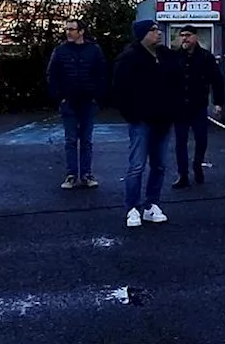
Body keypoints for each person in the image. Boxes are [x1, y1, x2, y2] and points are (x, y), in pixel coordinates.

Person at [111, 18, 177, 228]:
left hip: (163, 120)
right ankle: (132, 208)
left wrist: (173, 109)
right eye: (153, 30)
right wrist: (132, 115)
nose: (158, 33)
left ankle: (152, 205)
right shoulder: (128, 58)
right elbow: (119, 90)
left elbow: (176, 82)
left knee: (159, 165)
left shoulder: (166, 56)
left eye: (158, 29)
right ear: (142, 34)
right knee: (137, 165)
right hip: (141, 120)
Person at [46, 18, 107, 190]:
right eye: (66, 29)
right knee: (71, 140)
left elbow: (101, 74)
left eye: (71, 29)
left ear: (81, 31)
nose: (68, 32)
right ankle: (71, 174)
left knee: (86, 140)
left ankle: (86, 174)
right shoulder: (60, 51)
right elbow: (52, 75)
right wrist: (60, 97)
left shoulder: (94, 50)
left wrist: (97, 97)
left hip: (88, 101)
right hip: (69, 102)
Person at [172, 25, 224, 189]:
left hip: (198, 106)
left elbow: (217, 80)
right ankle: (183, 175)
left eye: (188, 35)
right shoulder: (175, 57)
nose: (185, 38)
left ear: (195, 37)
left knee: (201, 140)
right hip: (180, 107)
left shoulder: (205, 57)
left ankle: (197, 165)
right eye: (182, 35)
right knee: (180, 142)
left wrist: (218, 102)